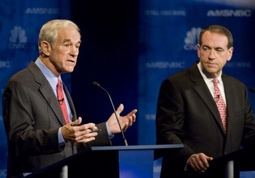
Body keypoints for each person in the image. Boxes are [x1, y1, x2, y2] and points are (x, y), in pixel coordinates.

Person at [2, 19, 137, 178]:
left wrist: (106, 128)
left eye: (77, 46)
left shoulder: (59, 84)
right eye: (67, 45)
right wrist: (61, 134)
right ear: (46, 47)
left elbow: (72, 145)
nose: (75, 52)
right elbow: (19, 141)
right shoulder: (21, 83)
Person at [155, 25, 255, 178]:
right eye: (207, 48)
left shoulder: (238, 88)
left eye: (218, 50)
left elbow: (249, 134)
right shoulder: (176, 84)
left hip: (227, 173)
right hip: (188, 174)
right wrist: (189, 156)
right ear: (198, 50)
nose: (211, 56)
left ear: (230, 53)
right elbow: (167, 133)